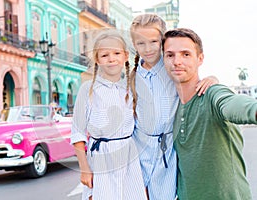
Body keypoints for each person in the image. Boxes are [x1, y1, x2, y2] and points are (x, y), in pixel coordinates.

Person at [129, 14, 218, 199]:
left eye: (154, 42)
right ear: (134, 45)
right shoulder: (132, 76)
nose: (148, 49)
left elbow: (193, 79)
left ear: (163, 41)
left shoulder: (172, 67)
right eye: (141, 43)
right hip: (138, 148)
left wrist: (213, 79)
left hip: (167, 149)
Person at [162, 27, 257, 200]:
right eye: (170, 55)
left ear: (200, 59)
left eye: (186, 54)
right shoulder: (169, 107)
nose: (177, 61)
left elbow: (233, 104)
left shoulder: (213, 93)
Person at [70, 29, 147, 200]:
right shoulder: (88, 90)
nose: (111, 58)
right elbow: (77, 133)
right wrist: (85, 170)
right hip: (101, 158)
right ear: (97, 59)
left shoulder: (130, 88)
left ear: (125, 56)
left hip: (128, 157)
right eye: (105, 55)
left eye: (116, 53)